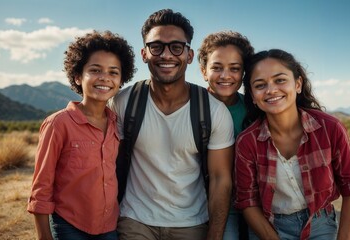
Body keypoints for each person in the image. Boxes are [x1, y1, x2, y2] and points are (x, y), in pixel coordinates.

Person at [109, 9, 234, 240]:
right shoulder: (124, 102)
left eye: (176, 47)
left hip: (192, 223)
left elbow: (220, 179)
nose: (166, 55)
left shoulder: (213, 111)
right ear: (144, 53)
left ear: (189, 55)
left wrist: (215, 236)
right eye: (156, 46)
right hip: (134, 220)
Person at [234, 49, 350, 240]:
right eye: (260, 85)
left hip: (320, 225)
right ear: (253, 97)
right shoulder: (247, 142)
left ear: (297, 84)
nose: (271, 90)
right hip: (266, 227)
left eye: (280, 80)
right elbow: (247, 201)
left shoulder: (330, 128)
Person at [27, 30, 136, 240]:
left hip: (109, 226)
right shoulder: (58, 124)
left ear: (121, 79)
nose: (104, 77)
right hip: (69, 226)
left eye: (113, 72)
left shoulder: (117, 124)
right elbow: (42, 186)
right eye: (95, 70)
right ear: (78, 76)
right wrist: (44, 236)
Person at [197, 30, 254, 240]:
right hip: (208, 208)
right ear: (204, 71)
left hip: (253, 206)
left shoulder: (254, 110)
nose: (225, 75)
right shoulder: (193, 106)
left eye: (235, 68)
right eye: (217, 67)